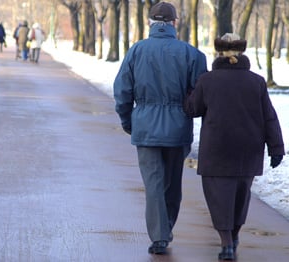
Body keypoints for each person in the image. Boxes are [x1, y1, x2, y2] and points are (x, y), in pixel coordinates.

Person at [113, 1, 207, 255]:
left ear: (150, 23)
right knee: (172, 183)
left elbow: (122, 91)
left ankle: (159, 235)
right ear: (175, 23)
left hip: (144, 126)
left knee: (153, 183)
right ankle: (165, 229)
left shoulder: (136, 51)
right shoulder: (192, 54)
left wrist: (127, 120)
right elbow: (200, 95)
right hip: (177, 129)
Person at [184, 33, 285, 261]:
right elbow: (269, 117)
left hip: (216, 150)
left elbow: (193, 109)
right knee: (241, 196)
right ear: (242, 53)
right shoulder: (256, 81)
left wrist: (188, 94)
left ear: (218, 54)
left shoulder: (207, 80)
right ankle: (235, 236)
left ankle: (226, 242)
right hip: (248, 150)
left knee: (219, 198)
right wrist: (276, 149)